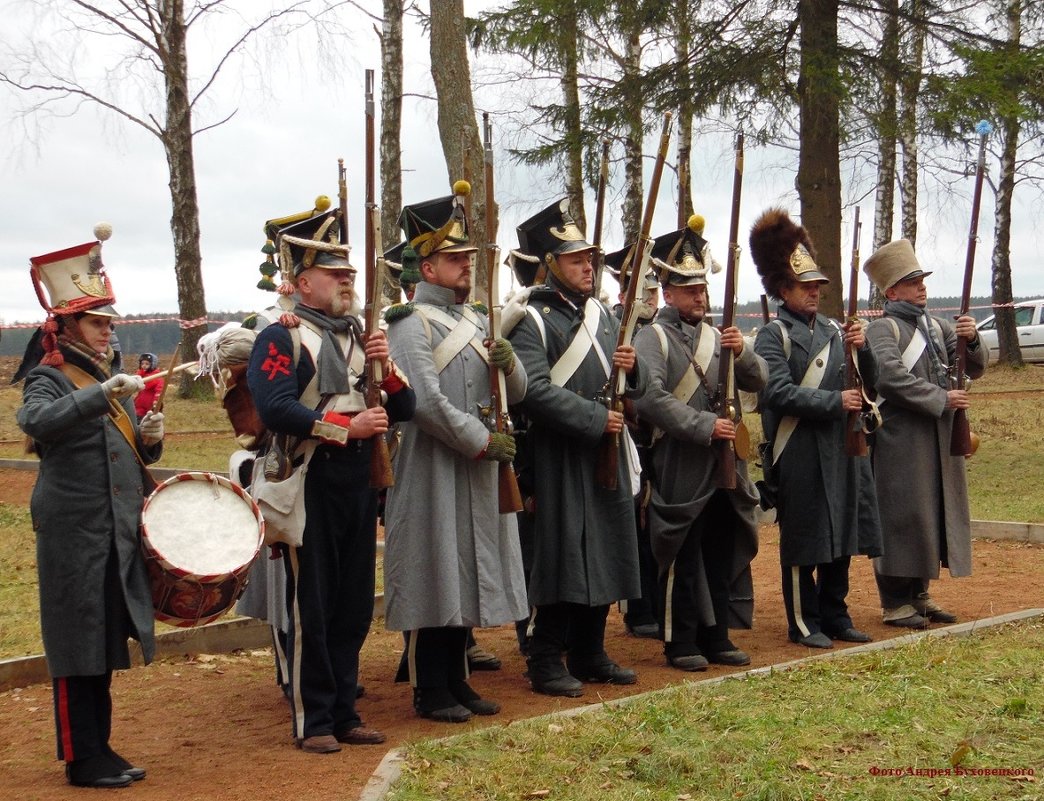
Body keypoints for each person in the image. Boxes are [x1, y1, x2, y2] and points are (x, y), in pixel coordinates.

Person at [247, 204, 416, 753]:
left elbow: (407, 406)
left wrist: (385, 368)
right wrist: (347, 428)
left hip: (359, 485)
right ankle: (313, 719)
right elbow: (275, 409)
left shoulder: (362, 336)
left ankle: (345, 711)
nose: (348, 279)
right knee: (312, 606)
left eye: (348, 271)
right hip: (310, 480)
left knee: (351, 607)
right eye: (334, 272)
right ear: (302, 283)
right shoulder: (280, 337)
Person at [15, 225, 163, 788]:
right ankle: (81, 757)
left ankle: (99, 747)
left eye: (108, 323)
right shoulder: (49, 377)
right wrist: (101, 395)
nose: (107, 333)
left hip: (111, 525)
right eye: (98, 323)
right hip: (73, 527)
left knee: (102, 638)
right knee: (77, 640)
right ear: (68, 325)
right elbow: (36, 423)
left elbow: (115, 449)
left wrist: (149, 436)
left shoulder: (102, 377)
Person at [382, 184, 529, 722]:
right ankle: (429, 687)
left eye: (468, 258)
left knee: (466, 568)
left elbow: (518, 394)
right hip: (433, 463)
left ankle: (458, 679)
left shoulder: (479, 319)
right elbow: (422, 401)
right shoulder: (409, 324)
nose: (466, 266)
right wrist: (481, 441)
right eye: (454, 258)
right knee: (433, 569)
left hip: (479, 465)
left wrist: (510, 364)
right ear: (426, 269)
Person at [505, 198, 646, 697]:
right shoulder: (531, 320)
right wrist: (593, 418)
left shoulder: (603, 316)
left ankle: (590, 652)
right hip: (558, 453)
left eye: (590, 258)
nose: (588, 266)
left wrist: (633, 366)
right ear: (549, 265)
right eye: (575, 259)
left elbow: (630, 386)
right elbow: (531, 390)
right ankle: (545, 658)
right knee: (562, 557)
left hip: (603, 448)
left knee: (605, 550)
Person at [633, 217, 767, 670]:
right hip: (681, 460)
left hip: (726, 462)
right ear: (667, 293)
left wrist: (742, 350)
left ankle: (718, 636)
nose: (698, 296)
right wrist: (703, 426)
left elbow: (758, 379)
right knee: (682, 551)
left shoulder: (720, 335)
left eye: (702, 288)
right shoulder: (651, 337)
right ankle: (680, 638)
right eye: (688, 289)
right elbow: (649, 397)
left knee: (719, 547)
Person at [750, 208, 882, 649]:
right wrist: (833, 402)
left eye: (817, 286)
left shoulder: (834, 330)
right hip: (800, 451)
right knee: (804, 539)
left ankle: (836, 614)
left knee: (841, 535)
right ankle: (804, 621)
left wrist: (863, 352)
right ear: (782, 289)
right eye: (805, 287)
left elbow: (869, 384)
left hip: (841, 448)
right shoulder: (773, 336)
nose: (814, 293)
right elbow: (777, 394)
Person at [863, 239, 986, 627]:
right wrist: (941, 398)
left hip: (937, 434)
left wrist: (972, 338)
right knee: (901, 515)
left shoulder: (938, 326)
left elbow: (973, 367)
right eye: (910, 280)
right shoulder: (882, 328)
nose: (920, 286)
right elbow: (890, 377)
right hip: (900, 437)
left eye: (920, 279)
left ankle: (919, 595)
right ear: (891, 291)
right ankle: (895, 601)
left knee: (930, 513)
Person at [603, 247, 662, 640]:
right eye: (642, 292)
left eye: (653, 293)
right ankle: (638, 609)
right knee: (635, 526)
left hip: (662, 440)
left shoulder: (659, 331)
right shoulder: (615, 328)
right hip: (633, 439)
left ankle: (658, 604)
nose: (649, 300)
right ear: (624, 294)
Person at [134, 352, 164, 419]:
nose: (144, 365)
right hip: (140, 403)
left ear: (153, 365)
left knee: (149, 422)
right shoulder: (139, 376)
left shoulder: (158, 378)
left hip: (150, 404)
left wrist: (156, 403)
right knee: (137, 419)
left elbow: (159, 391)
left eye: (147, 364)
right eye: (142, 363)